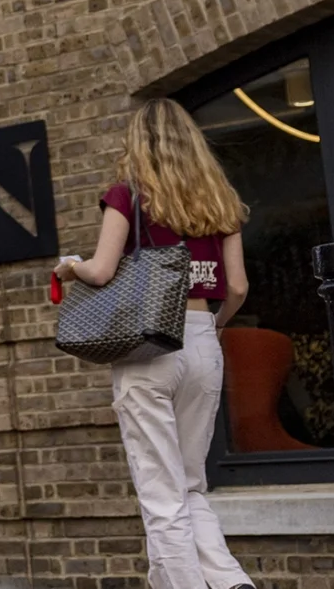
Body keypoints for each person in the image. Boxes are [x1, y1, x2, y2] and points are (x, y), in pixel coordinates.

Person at [57, 97, 253, 589]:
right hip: (205, 341)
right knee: (190, 487)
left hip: (148, 350)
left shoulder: (127, 197)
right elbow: (237, 289)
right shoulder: (221, 201)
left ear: (138, 145)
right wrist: (215, 328)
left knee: (162, 497)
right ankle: (232, 585)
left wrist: (68, 267)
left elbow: (101, 270)